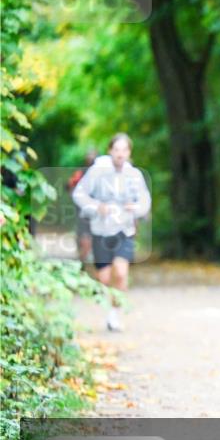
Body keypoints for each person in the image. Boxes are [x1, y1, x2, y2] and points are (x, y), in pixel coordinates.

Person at [72, 133, 151, 332]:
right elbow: (79, 194)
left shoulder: (134, 175)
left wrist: (136, 208)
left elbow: (144, 201)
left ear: (129, 153)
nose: (120, 154)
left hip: (124, 230)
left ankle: (114, 315)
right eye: (117, 150)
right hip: (100, 230)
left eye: (124, 150)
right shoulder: (97, 171)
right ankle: (110, 308)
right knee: (105, 279)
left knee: (121, 273)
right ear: (110, 151)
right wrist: (97, 207)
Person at [67, 148, 98, 267]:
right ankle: (84, 259)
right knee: (85, 234)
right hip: (85, 209)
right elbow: (69, 185)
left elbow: (69, 186)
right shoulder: (81, 173)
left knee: (86, 234)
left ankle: (84, 260)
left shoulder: (84, 173)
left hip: (92, 210)